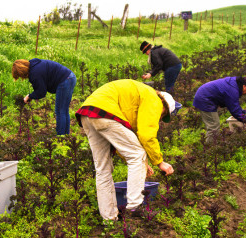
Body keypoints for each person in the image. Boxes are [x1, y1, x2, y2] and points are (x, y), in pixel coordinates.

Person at [75, 79, 178, 221]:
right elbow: (146, 135)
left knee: (102, 169)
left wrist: (144, 164)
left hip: (88, 113)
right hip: (105, 111)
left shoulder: (136, 98)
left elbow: (122, 144)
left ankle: (109, 218)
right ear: (164, 106)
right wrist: (159, 162)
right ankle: (134, 209)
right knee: (137, 154)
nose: (159, 119)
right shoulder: (154, 99)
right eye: (162, 115)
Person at [12, 59, 77, 135]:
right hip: (70, 77)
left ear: (21, 72)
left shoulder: (35, 73)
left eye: (20, 76)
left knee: (60, 111)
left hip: (64, 81)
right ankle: (65, 135)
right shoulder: (34, 64)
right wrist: (31, 96)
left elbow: (41, 92)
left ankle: (61, 137)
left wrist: (30, 96)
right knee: (64, 110)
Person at [193, 76, 246, 144]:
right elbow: (234, 109)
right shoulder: (233, 90)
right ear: (244, 87)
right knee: (214, 126)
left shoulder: (235, 83)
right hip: (204, 99)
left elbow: (235, 105)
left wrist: (244, 113)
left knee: (214, 125)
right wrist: (245, 120)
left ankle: (212, 143)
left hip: (205, 95)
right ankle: (210, 148)